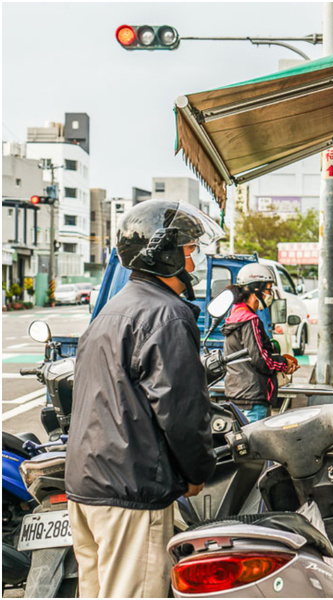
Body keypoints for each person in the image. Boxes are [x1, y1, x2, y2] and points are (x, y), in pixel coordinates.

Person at [66, 200, 222, 598]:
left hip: (86, 488)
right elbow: (181, 411)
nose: (194, 260)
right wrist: (197, 472)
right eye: (189, 250)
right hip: (130, 494)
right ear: (164, 254)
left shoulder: (110, 312)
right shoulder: (166, 314)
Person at [221, 263, 299, 423]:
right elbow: (262, 360)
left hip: (237, 393)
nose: (269, 294)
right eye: (269, 289)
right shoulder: (250, 320)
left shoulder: (234, 315)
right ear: (256, 290)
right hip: (253, 397)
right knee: (254, 446)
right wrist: (284, 363)